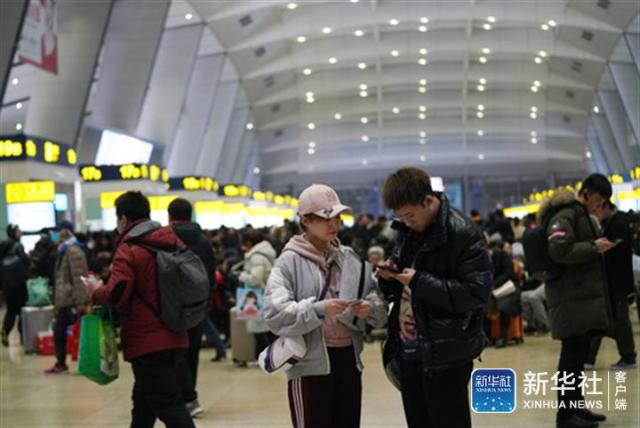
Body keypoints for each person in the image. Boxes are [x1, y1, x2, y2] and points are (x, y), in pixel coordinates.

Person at [375, 167, 492, 428]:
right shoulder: (407, 231)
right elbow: (401, 286)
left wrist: (419, 281)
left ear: (428, 201)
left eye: (410, 215)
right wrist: (390, 277)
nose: (406, 222)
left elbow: (476, 294)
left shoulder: (463, 234)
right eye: (401, 217)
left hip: (446, 353)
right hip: (408, 351)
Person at [264, 184, 387, 428]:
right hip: (309, 365)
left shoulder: (348, 256)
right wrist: (319, 309)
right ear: (305, 220)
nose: (334, 224)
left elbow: (375, 298)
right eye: (325, 218)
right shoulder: (288, 262)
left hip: (349, 360)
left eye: (337, 217)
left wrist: (369, 308)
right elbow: (274, 312)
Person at [85, 191, 195, 428]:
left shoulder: (129, 249)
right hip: (175, 333)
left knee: (168, 404)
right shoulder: (171, 241)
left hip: (148, 341)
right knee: (144, 404)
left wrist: (95, 290)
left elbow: (117, 294)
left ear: (124, 218)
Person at [538, 173, 616, 428]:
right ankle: (565, 415)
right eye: (599, 200)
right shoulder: (566, 214)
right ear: (587, 193)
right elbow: (558, 249)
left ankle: (576, 407)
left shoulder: (579, 214)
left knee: (578, 356)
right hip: (569, 298)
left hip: (578, 298)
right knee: (571, 358)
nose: (599, 206)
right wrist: (594, 247)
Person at [168, 197, 216, 418]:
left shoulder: (166, 239)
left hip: (172, 307)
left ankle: (184, 397)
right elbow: (211, 275)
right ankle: (190, 397)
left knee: (175, 353)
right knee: (192, 353)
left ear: (169, 216)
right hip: (198, 307)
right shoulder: (203, 241)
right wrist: (206, 304)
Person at [585, 200, 636, 369]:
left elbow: (616, 253)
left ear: (606, 206)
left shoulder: (619, 224)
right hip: (610, 280)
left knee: (621, 319)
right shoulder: (611, 223)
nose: (596, 213)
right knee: (604, 319)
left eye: (598, 209)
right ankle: (589, 359)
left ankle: (628, 356)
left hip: (618, 281)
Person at [45, 221, 90, 374]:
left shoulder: (73, 250)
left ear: (66, 231)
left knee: (63, 330)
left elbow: (79, 278)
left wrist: (80, 301)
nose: (55, 233)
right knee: (61, 330)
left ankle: (64, 363)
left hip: (71, 299)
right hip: (65, 299)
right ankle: (62, 363)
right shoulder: (64, 249)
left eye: (58, 230)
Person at [238, 229, 277, 357]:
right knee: (267, 330)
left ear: (249, 243)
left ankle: (265, 358)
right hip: (267, 295)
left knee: (260, 331)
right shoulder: (265, 253)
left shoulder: (256, 257)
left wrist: (241, 275)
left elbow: (255, 279)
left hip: (257, 296)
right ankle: (269, 357)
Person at [0, 225, 29, 346]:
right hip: (19, 283)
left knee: (11, 310)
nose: (21, 232)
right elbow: (25, 261)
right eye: (18, 231)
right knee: (22, 309)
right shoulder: (18, 245)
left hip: (7, 284)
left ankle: (5, 330)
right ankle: (23, 336)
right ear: (14, 233)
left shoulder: (2, 246)